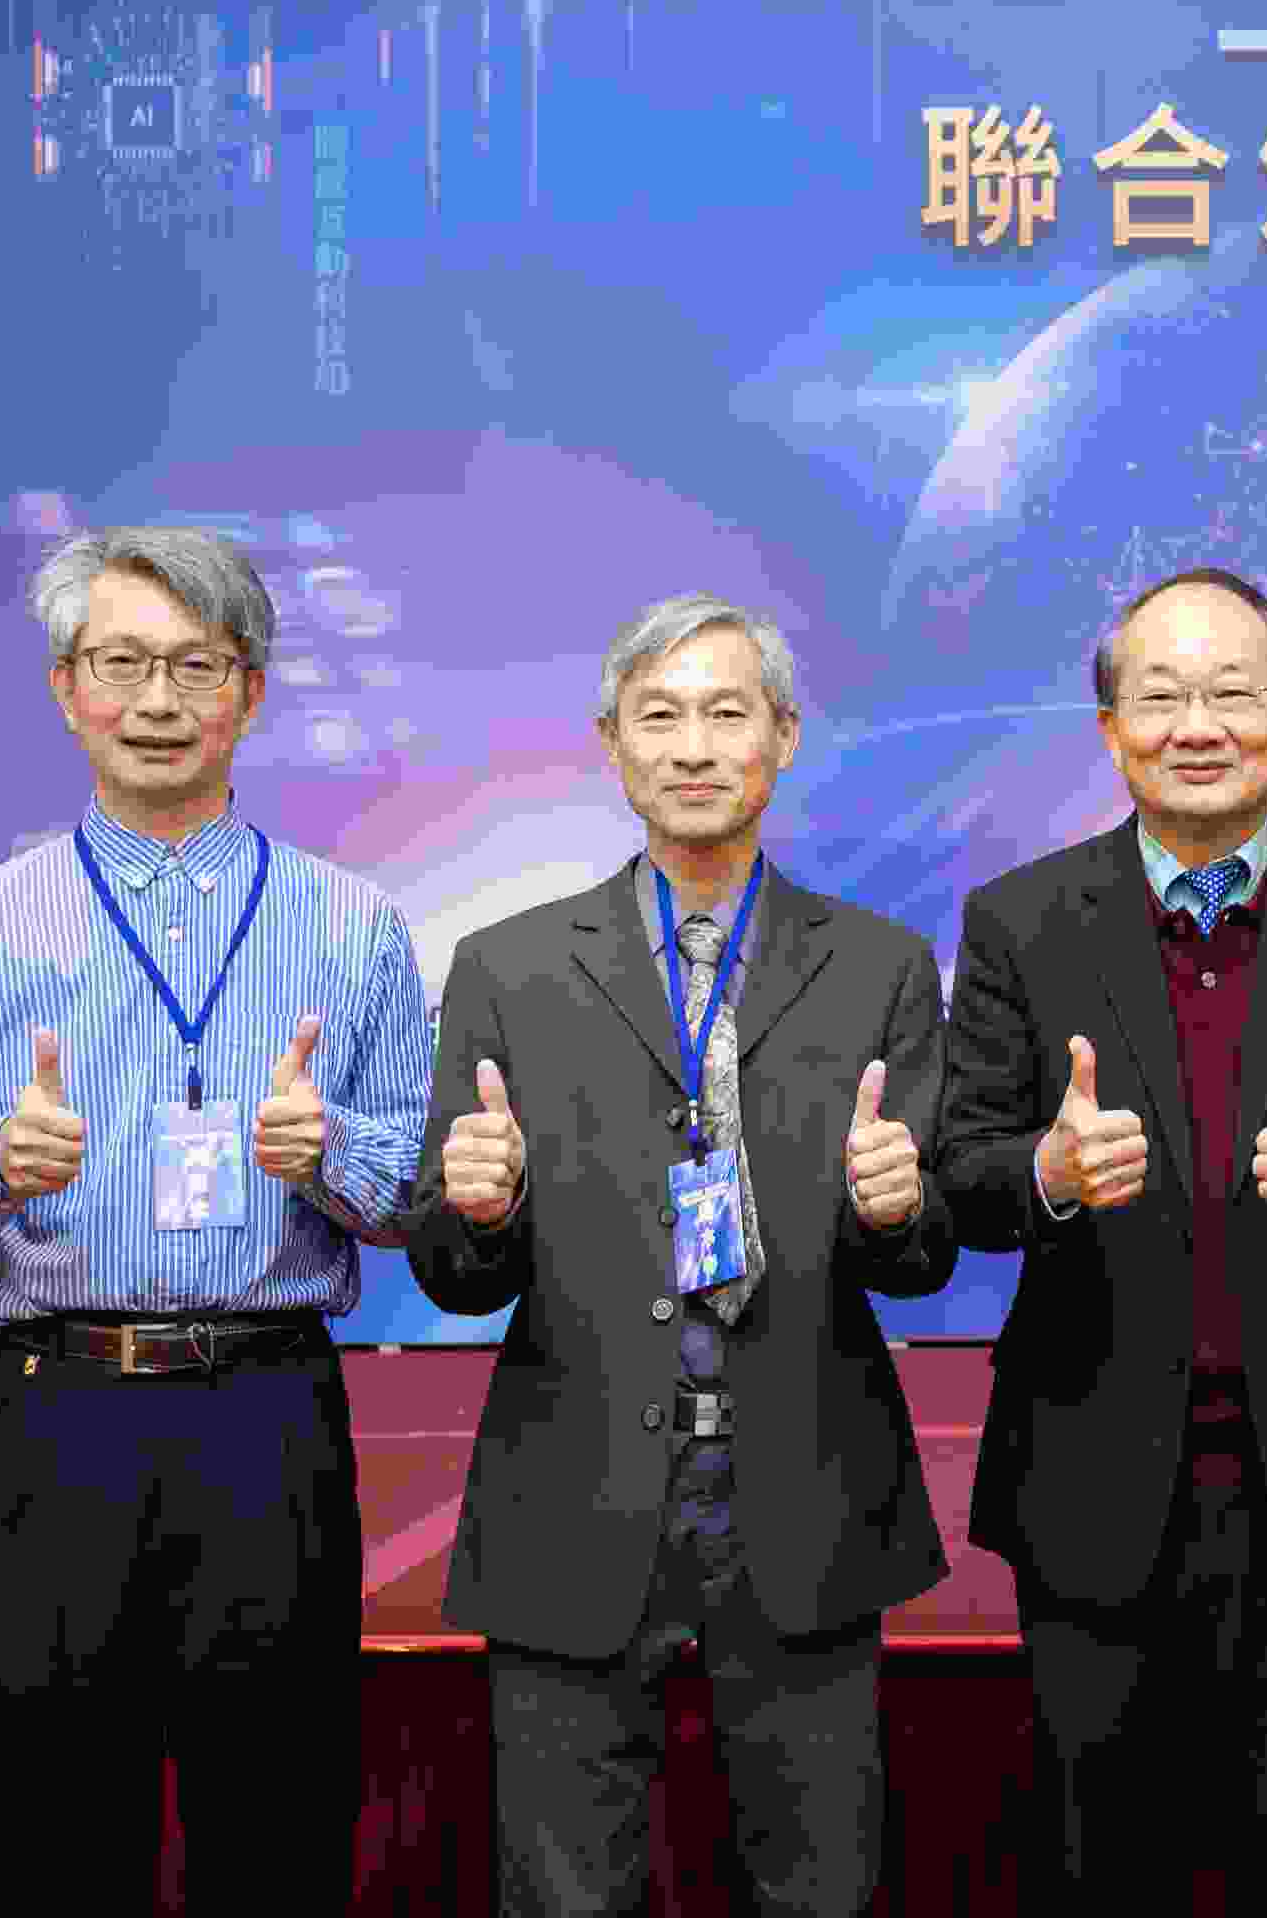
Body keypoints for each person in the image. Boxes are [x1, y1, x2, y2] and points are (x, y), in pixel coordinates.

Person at [0, 527, 430, 1916]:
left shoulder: (353, 927)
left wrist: (331, 1155)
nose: (157, 702)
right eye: (121, 664)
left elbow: (422, 1210)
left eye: (195, 667)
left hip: (267, 1425)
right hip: (50, 1428)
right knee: (55, 1845)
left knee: (278, 1843)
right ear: (66, 690)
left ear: (250, 693)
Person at [409, 591, 956, 1917]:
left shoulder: (880, 967)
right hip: (576, 1495)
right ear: (612, 743)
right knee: (566, 1897)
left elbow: (923, 1260)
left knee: (822, 1891)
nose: (695, 746)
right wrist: (477, 1209)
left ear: (783, 738)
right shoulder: (508, 968)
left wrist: (898, 1209)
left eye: (727, 713)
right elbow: (453, 1275)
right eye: (660, 716)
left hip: (806, 1492)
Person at [935, 566, 1267, 1906]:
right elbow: (961, 1175)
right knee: (1103, 1870)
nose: (1197, 726)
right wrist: (1049, 1172)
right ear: (1110, 729)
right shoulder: (1021, 920)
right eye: (1161, 696)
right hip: (1089, 1476)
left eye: (1232, 693)